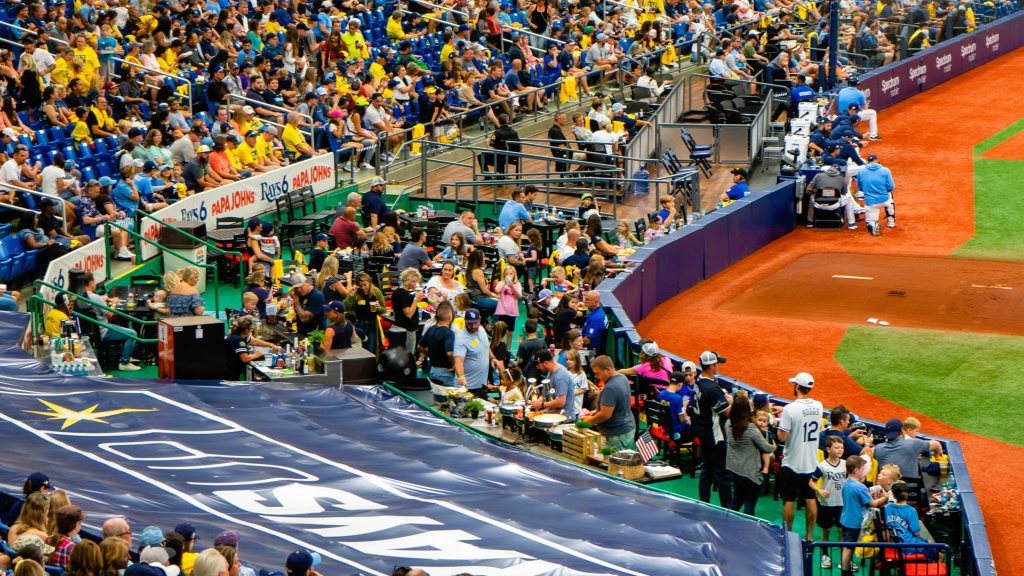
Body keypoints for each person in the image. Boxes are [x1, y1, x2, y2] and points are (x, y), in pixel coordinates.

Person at [777, 372, 824, 541]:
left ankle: (788, 536)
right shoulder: (819, 406)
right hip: (811, 462)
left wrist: (778, 424)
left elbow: (782, 437)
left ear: (797, 386)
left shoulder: (790, 409)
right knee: (810, 499)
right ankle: (809, 537)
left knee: (788, 500)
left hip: (792, 462)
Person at [693, 350, 733, 507]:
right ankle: (727, 510)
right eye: (717, 363)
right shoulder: (711, 389)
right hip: (716, 436)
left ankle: (704, 505)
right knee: (723, 474)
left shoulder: (699, 381)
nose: (718, 366)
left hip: (704, 434)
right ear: (711, 366)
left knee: (706, 472)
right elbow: (727, 412)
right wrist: (734, 401)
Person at [725, 390, 775, 516]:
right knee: (749, 504)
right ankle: (746, 532)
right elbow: (767, 448)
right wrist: (773, 445)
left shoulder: (728, 424)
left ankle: (726, 526)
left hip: (735, 469)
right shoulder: (751, 428)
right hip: (751, 472)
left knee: (736, 501)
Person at [839, 455, 886, 575]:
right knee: (849, 548)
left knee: (847, 546)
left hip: (845, 519)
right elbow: (873, 503)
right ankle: (845, 572)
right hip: (855, 522)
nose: (864, 471)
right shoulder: (860, 487)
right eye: (862, 469)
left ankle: (846, 570)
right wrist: (885, 497)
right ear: (856, 470)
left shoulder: (846, 482)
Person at [83, 273, 140, 372]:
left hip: (93, 332)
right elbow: (109, 314)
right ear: (91, 283)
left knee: (117, 327)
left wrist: (103, 303)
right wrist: (114, 303)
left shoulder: (81, 296)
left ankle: (122, 356)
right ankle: (124, 363)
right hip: (103, 332)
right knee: (132, 334)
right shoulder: (95, 298)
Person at [579, 355, 635, 450]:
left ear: (607, 369)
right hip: (627, 429)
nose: (596, 377)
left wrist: (590, 420)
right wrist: (595, 412)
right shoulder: (622, 378)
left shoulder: (610, 388)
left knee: (613, 463)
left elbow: (605, 415)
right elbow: (615, 405)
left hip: (616, 435)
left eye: (598, 373)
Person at [874, 418, 944, 492]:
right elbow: (936, 444)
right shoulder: (913, 444)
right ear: (902, 431)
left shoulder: (878, 449)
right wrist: (937, 452)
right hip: (910, 494)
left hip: (886, 495)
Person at [811, 436, 847, 558]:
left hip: (842, 503)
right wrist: (819, 490)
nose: (839, 450)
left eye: (841, 448)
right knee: (827, 529)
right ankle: (825, 555)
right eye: (836, 447)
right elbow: (811, 482)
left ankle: (844, 557)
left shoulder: (846, 465)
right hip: (827, 503)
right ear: (828, 449)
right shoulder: (822, 466)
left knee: (842, 530)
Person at [886, 482, 940, 559]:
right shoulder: (911, 511)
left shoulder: (888, 507)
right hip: (909, 547)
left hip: (895, 546)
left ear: (893, 495)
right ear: (907, 495)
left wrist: (889, 545)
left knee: (930, 542)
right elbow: (916, 533)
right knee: (940, 556)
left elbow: (887, 528)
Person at [224, 316, 280, 380]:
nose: (252, 330)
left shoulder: (237, 335)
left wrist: (271, 345)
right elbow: (245, 359)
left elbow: (255, 341)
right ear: (246, 330)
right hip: (230, 372)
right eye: (251, 328)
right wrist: (256, 355)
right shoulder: (238, 340)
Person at [529, 349, 577, 422]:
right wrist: (539, 401)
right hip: (554, 416)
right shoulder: (552, 371)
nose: (538, 368)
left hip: (563, 419)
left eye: (539, 365)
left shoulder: (560, 377)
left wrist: (542, 404)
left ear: (546, 363)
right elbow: (548, 391)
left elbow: (560, 402)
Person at [454, 309, 495, 392]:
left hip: (482, 385)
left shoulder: (482, 330)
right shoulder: (461, 339)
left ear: (480, 319)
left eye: (475, 323)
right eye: (470, 323)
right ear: (464, 321)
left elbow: (485, 346)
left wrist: (492, 358)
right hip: (467, 387)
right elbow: (458, 361)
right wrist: (461, 376)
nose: (473, 326)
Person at [344, 273, 386, 355]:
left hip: (372, 324)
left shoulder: (376, 292)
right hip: (358, 324)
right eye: (360, 286)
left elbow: (383, 310)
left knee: (371, 350)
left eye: (365, 285)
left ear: (369, 282)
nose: (363, 288)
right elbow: (346, 308)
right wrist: (351, 295)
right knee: (358, 350)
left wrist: (379, 308)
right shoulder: (355, 292)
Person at [857, 154, 896, 236]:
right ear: (877, 160)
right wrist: (884, 191)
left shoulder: (861, 171)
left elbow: (860, 187)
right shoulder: (885, 170)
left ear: (868, 162)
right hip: (884, 199)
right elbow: (891, 187)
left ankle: (872, 224)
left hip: (870, 202)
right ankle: (891, 221)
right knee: (890, 197)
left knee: (870, 222)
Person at [419, 303, 456, 386]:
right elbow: (449, 353)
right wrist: (455, 364)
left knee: (435, 397)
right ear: (450, 316)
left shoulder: (431, 329)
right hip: (445, 372)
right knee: (446, 397)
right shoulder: (448, 332)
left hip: (432, 370)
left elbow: (420, 346)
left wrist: (431, 355)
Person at [391, 268, 424, 354]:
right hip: (407, 330)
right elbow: (408, 314)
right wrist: (416, 298)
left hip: (399, 326)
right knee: (408, 356)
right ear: (406, 280)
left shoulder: (397, 291)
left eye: (416, 281)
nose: (415, 284)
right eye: (413, 281)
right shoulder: (403, 294)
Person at [493, 266, 522, 344]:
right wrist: (504, 283)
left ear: (514, 275)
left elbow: (519, 295)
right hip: (502, 310)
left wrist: (512, 286)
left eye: (511, 274)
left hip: (512, 311)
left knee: (510, 332)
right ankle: (500, 347)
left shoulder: (517, 284)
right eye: (507, 274)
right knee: (502, 331)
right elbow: (497, 291)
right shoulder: (501, 283)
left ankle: (508, 350)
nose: (509, 275)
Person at [464, 249, 498, 314]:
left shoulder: (470, 270)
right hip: (479, 299)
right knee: (500, 304)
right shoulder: (477, 271)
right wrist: (494, 296)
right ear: (479, 260)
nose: (484, 258)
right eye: (483, 257)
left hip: (473, 298)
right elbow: (484, 290)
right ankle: (492, 323)